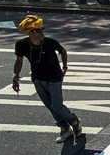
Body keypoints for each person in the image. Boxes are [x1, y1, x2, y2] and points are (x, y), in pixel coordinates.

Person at [12, 15, 82, 143]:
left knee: (56, 105)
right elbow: (19, 60)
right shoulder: (21, 44)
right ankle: (64, 128)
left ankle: (74, 120)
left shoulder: (50, 42)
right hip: (38, 79)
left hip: (55, 77)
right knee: (49, 106)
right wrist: (15, 76)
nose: (40, 33)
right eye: (36, 31)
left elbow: (63, 51)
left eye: (40, 30)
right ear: (30, 33)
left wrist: (65, 66)